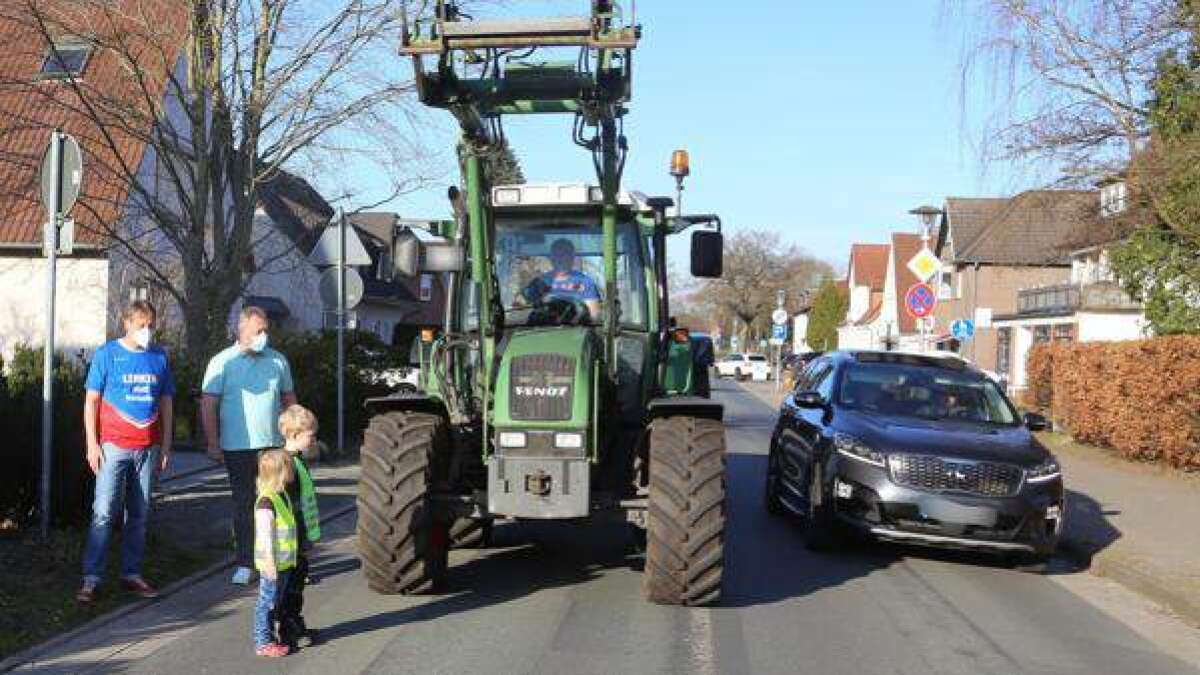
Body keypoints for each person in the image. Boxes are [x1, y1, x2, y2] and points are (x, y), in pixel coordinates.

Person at [77, 300, 174, 603]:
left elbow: (167, 402)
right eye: (141, 325)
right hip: (113, 447)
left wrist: (166, 444)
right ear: (127, 324)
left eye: (150, 325)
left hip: (147, 449)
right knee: (104, 512)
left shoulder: (159, 357)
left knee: (140, 514)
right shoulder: (107, 354)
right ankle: (91, 579)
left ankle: (131, 573)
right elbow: (91, 400)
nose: (147, 331)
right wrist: (92, 443)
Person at [202, 306, 298, 585]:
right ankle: (246, 561)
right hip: (237, 446)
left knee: (279, 503)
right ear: (241, 330)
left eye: (266, 330)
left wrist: (295, 435)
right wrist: (212, 442)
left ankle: (284, 561)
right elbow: (209, 404)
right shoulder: (222, 362)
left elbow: (289, 398)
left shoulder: (278, 361)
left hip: (273, 446)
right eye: (258, 331)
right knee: (244, 504)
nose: (263, 336)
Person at [276, 404, 321, 648]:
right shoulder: (287, 465)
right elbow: (289, 506)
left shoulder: (298, 461)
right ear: (294, 435)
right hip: (290, 539)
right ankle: (287, 628)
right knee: (290, 584)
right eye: (310, 436)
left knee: (298, 579)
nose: (313, 440)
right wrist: (301, 537)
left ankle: (294, 620)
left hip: (300, 537)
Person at [251, 450, 296, 658]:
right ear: (280, 472)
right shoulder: (266, 503)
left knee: (276, 602)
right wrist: (269, 564)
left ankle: (273, 637)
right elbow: (265, 537)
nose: (293, 470)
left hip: (284, 564)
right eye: (289, 467)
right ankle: (263, 642)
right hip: (272, 566)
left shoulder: (281, 494)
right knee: (266, 603)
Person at [521, 238, 602, 318]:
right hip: (542, 327)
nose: (562, 259)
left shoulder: (585, 282)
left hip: (576, 327)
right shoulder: (540, 282)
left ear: (572, 258)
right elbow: (521, 305)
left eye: (566, 255)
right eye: (558, 255)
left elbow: (593, 314)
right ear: (552, 258)